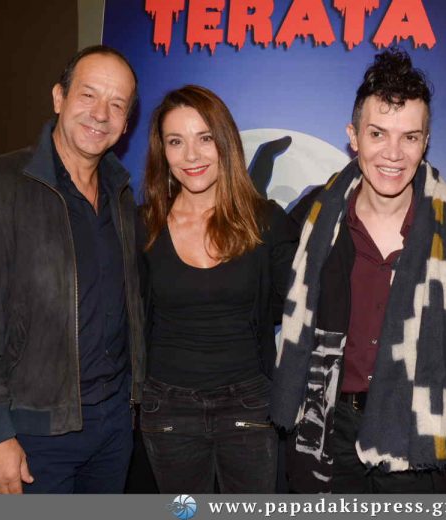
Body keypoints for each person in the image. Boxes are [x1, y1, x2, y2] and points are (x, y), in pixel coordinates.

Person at [269, 47, 446, 493]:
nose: (393, 153)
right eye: (378, 133)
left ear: (426, 142)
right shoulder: (311, 218)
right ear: (353, 136)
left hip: (420, 435)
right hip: (328, 431)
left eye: (410, 137)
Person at [0, 45, 145, 494]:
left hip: (113, 427)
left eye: (117, 105)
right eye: (88, 95)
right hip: (33, 434)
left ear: (127, 123)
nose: (101, 114)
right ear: (58, 97)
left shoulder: (123, 196)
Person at [139, 85, 297, 493]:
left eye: (204, 138)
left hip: (248, 405)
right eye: (176, 141)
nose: (191, 155)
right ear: (162, 152)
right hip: (167, 408)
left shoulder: (266, 222)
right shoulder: (143, 225)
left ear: (225, 143)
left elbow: (294, 303)